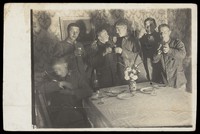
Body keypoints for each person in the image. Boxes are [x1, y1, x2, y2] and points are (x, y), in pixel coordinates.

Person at [38, 57, 92, 128]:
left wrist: (72, 92)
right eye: (56, 71)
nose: (58, 73)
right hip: (60, 118)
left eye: (59, 69)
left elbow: (88, 91)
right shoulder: (52, 78)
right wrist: (60, 84)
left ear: (65, 65)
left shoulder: (75, 76)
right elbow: (41, 89)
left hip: (77, 115)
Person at [153, 24, 187, 89]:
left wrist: (169, 50)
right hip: (165, 82)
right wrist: (158, 52)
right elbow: (154, 60)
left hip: (178, 81)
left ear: (169, 32)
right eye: (161, 33)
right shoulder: (158, 44)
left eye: (165, 32)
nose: (163, 35)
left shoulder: (177, 43)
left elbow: (183, 55)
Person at [114, 19, 147, 84]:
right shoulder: (122, 39)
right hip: (128, 71)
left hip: (137, 71)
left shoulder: (134, 40)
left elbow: (138, 56)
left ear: (125, 28)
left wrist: (122, 51)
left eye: (118, 29)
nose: (117, 32)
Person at [140, 17, 162, 83]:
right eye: (146, 26)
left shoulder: (160, 35)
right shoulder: (142, 37)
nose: (148, 27)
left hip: (159, 61)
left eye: (151, 25)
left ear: (155, 25)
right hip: (147, 61)